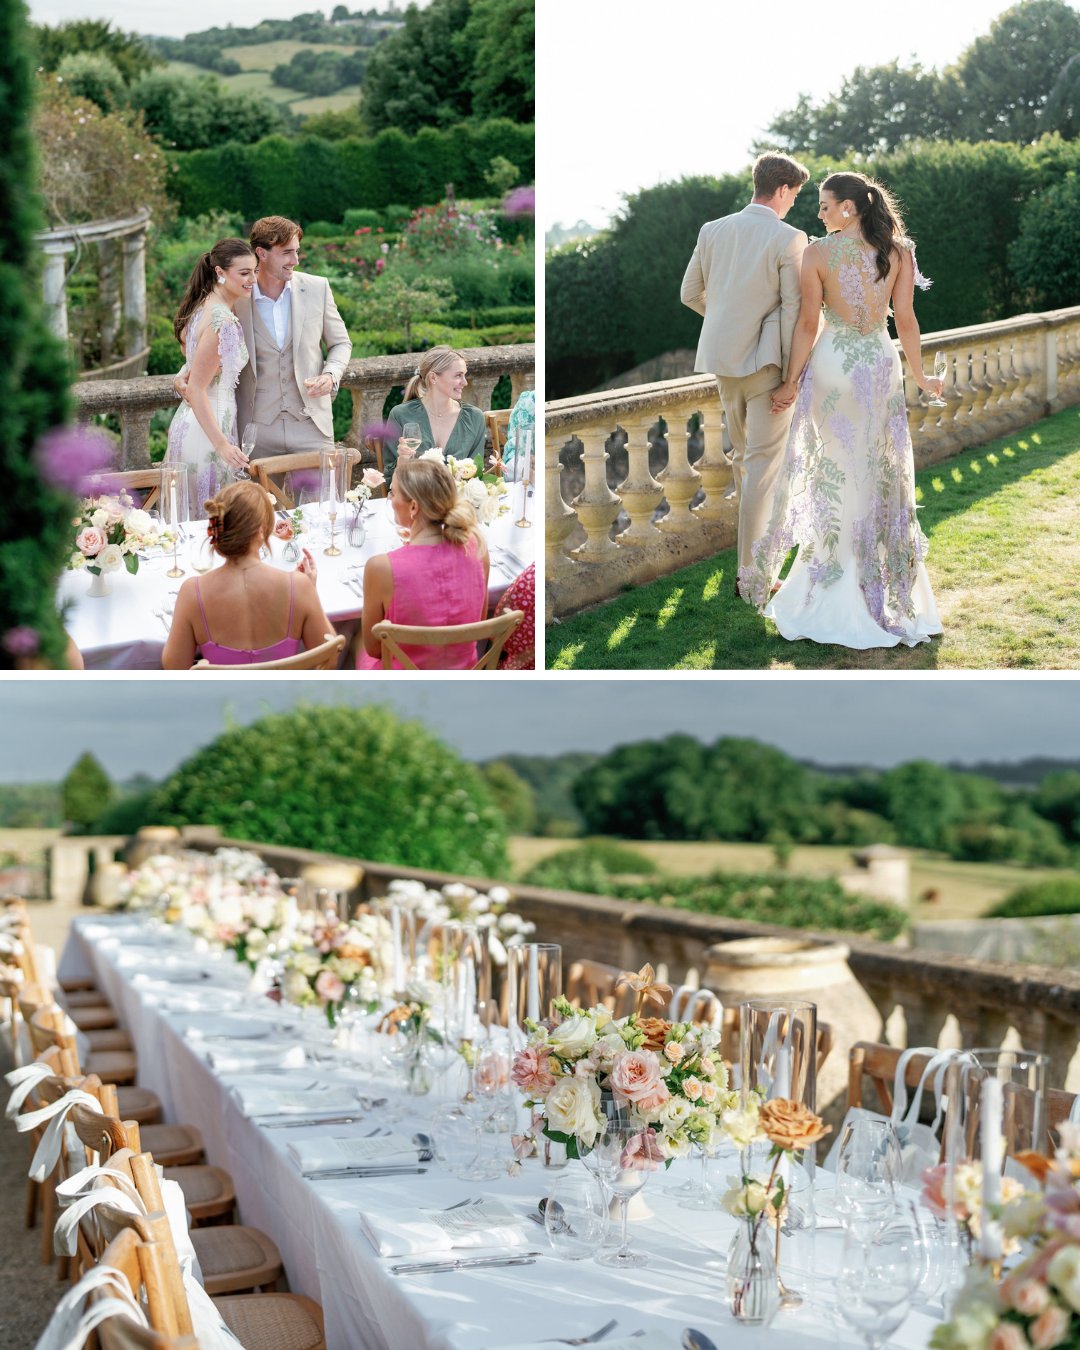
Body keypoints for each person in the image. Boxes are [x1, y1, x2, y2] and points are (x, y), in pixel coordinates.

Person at [743, 171, 944, 649]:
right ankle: (878, 583)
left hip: (834, 366)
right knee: (876, 470)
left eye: (826, 205)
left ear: (850, 208)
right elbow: (907, 321)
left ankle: (833, 578)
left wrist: (791, 381)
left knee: (836, 469)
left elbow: (809, 323)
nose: (819, 213)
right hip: (877, 364)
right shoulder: (899, 251)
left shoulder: (817, 254)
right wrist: (920, 376)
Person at [680, 152, 810, 597]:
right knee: (760, 468)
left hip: (722, 363)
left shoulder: (712, 230)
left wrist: (725, 319)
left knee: (744, 463)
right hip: (767, 364)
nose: (794, 203)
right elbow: (795, 308)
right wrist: (793, 375)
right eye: (794, 194)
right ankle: (752, 576)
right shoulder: (790, 237)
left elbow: (689, 293)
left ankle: (751, 568)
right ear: (781, 190)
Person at [176, 215, 352, 466]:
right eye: (287, 253)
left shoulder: (317, 288)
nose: (296, 260)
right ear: (262, 253)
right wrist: (184, 373)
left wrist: (331, 375)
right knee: (261, 505)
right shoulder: (236, 297)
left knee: (323, 503)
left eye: (297, 252)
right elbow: (208, 345)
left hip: (312, 426)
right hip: (255, 432)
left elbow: (341, 343)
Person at [162, 480, 334, 668]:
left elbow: (174, 668)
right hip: (283, 697)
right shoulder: (299, 587)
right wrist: (309, 591)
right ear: (261, 531)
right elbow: (329, 660)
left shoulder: (192, 592)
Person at [358, 457, 488, 670]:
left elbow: (373, 649)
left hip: (404, 689)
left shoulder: (381, 568)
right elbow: (479, 621)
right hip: (462, 678)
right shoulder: (477, 548)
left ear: (414, 507)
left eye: (393, 492)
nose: (390, 499)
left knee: (353, 638)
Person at [164, 238, 255, 511]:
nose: (252, 279)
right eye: (244, 273)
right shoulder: (223, 322)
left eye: (255, 271)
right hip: (208, 432)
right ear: (220, 273)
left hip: (195, 422)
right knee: (214, 522)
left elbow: (196, 364)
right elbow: (198, 388)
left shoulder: (203, 306)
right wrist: (223, 446)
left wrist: (181, 376)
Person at [383, 347, 485, 486]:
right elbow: (390, 480)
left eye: (464, 375)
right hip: (415, 501)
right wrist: (403, 460)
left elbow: (476, 476)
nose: (465, 382)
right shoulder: (400, 415)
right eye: (458, 375)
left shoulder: (474, 418)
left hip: (458, 503)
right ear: (433, 377)